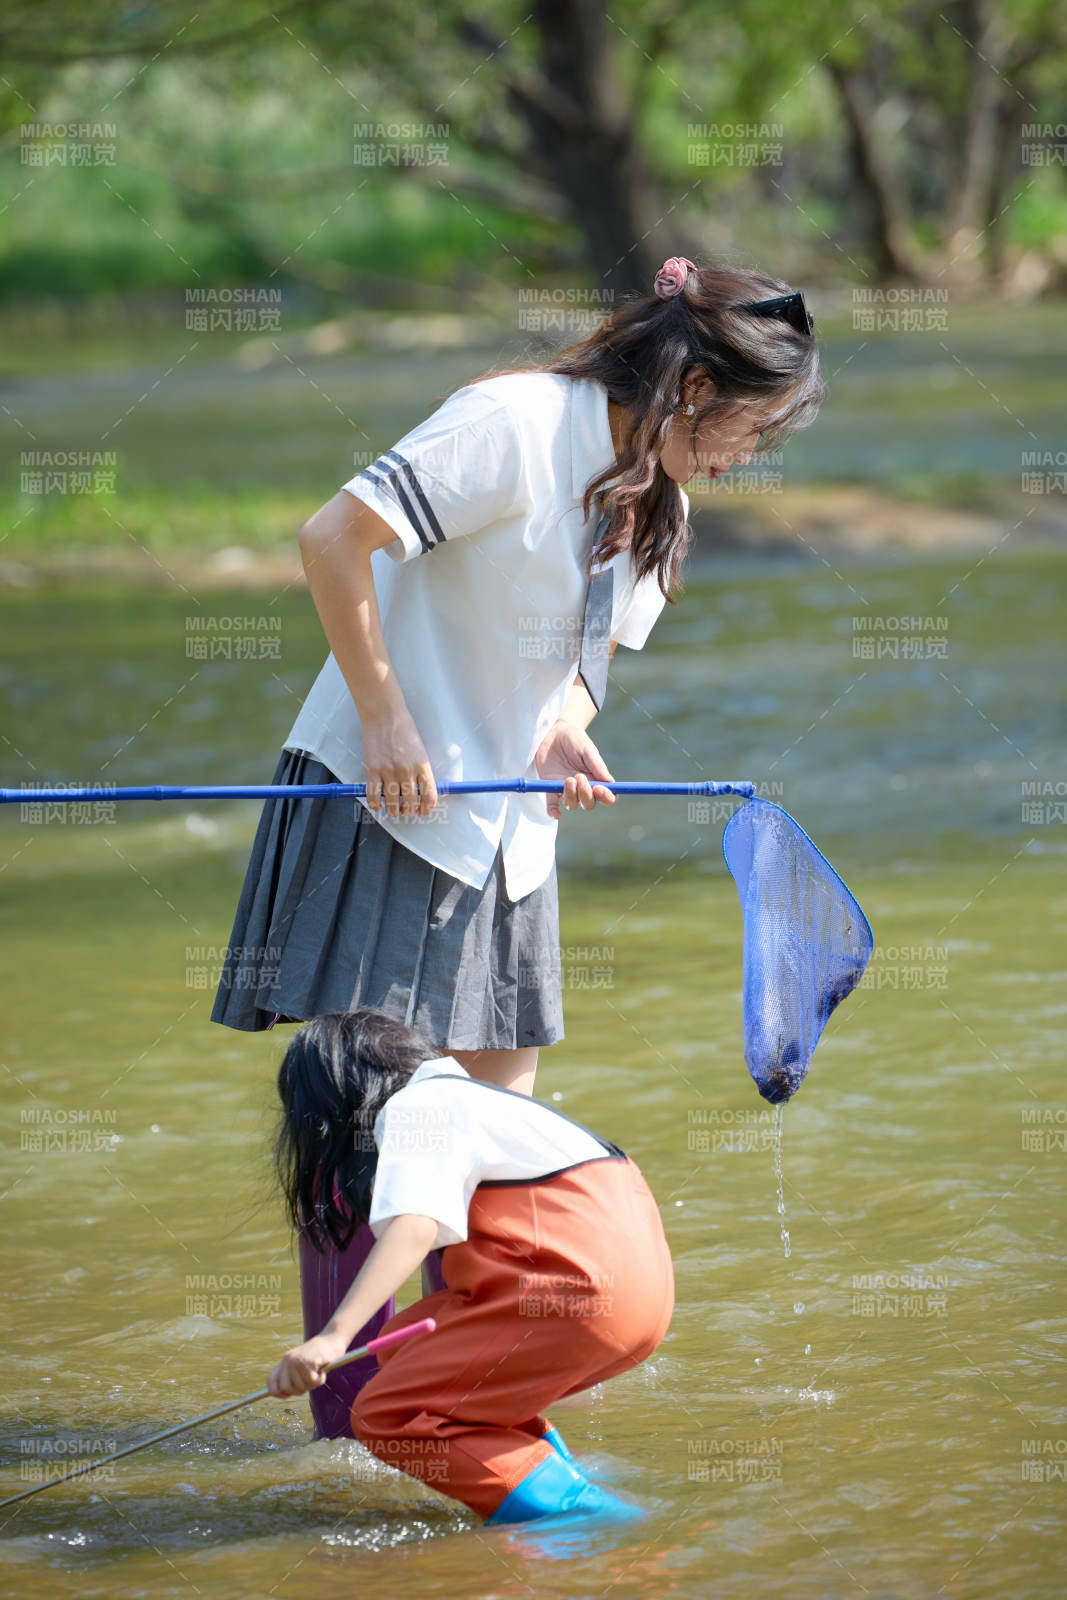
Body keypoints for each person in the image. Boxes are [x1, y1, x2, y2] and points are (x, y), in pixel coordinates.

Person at [213, 255, 824, 1434]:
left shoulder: (657, 503)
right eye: (754, 425)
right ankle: (344, 1428)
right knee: (373, 1125)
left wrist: (559, 735)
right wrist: (387, 714)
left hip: (509, 833)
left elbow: (582, 669)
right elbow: (332, 538)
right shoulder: (509, 423)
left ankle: (448, 1413)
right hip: (381, 797)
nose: (753, 453)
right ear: (694, 384)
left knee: (482, 1139)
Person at [266, 1009, 675, 1525]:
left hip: (578, 1296)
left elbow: (415, 1225)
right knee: (407, 1349)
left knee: (387, 1414)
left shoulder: (419, 1108)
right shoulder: (470, 1099)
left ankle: (587, 1518)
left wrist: (332, 1337)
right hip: (636, 1300)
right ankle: (554, 1476)